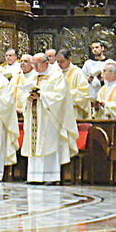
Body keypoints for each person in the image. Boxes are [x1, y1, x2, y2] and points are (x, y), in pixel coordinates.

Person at [18, 53, 78, 184]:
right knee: (34, 145)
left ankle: (51, 177)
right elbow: (23, 94)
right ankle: (34, 177)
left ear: (46, 63)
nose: (34, 67)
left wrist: (41, 96)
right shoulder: (33, 76)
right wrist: (27, 98)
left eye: (37, 64)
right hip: (34, 116)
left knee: (48, 145)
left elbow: (60, 97)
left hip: (49, 118)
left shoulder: (56, 76)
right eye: (33, 64)